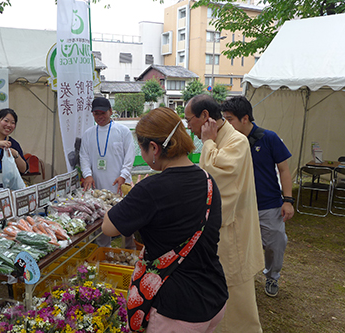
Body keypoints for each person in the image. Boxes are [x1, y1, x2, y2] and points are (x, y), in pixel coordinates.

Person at [102, 107, 228, 333]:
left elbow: (108, 226)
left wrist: (135, 195)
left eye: (142, 147)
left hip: (177, 309)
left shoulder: (150, 189)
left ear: (153, 148)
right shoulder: (208, 181)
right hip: (214, 294)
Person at [184, 94, 264, 333]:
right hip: (221, 229)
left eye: (190, 120)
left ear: (205, 116)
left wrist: (208, 142)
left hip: (232, 230)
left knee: (233, 291)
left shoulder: (236, 141)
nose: (188, 126)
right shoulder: (223, 138)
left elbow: (216, 178)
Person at [221, 96, 294, 297]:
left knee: (275, 244)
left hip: (268, 205)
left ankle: (272, 276)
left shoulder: (268, 138)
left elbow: (284, 170)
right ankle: (241, 280)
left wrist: (288, 200)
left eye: (229, 119)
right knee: (239, 246)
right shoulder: (228, 142)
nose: (226, 123)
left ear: (245, 118)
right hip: (240, 205)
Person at [79, 96, 135, 249]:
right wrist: (87, 174)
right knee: (102, 220)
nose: (100, 117)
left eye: (103, 113)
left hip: (119, 184)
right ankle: (104, 251)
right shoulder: (89, 134)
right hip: (98, 184)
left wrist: (123, 175)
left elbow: (130, 155)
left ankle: (129, 250)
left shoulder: (123, 131)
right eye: (96, 113)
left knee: (127, 219)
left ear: (111, 111)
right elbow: (83, 156)